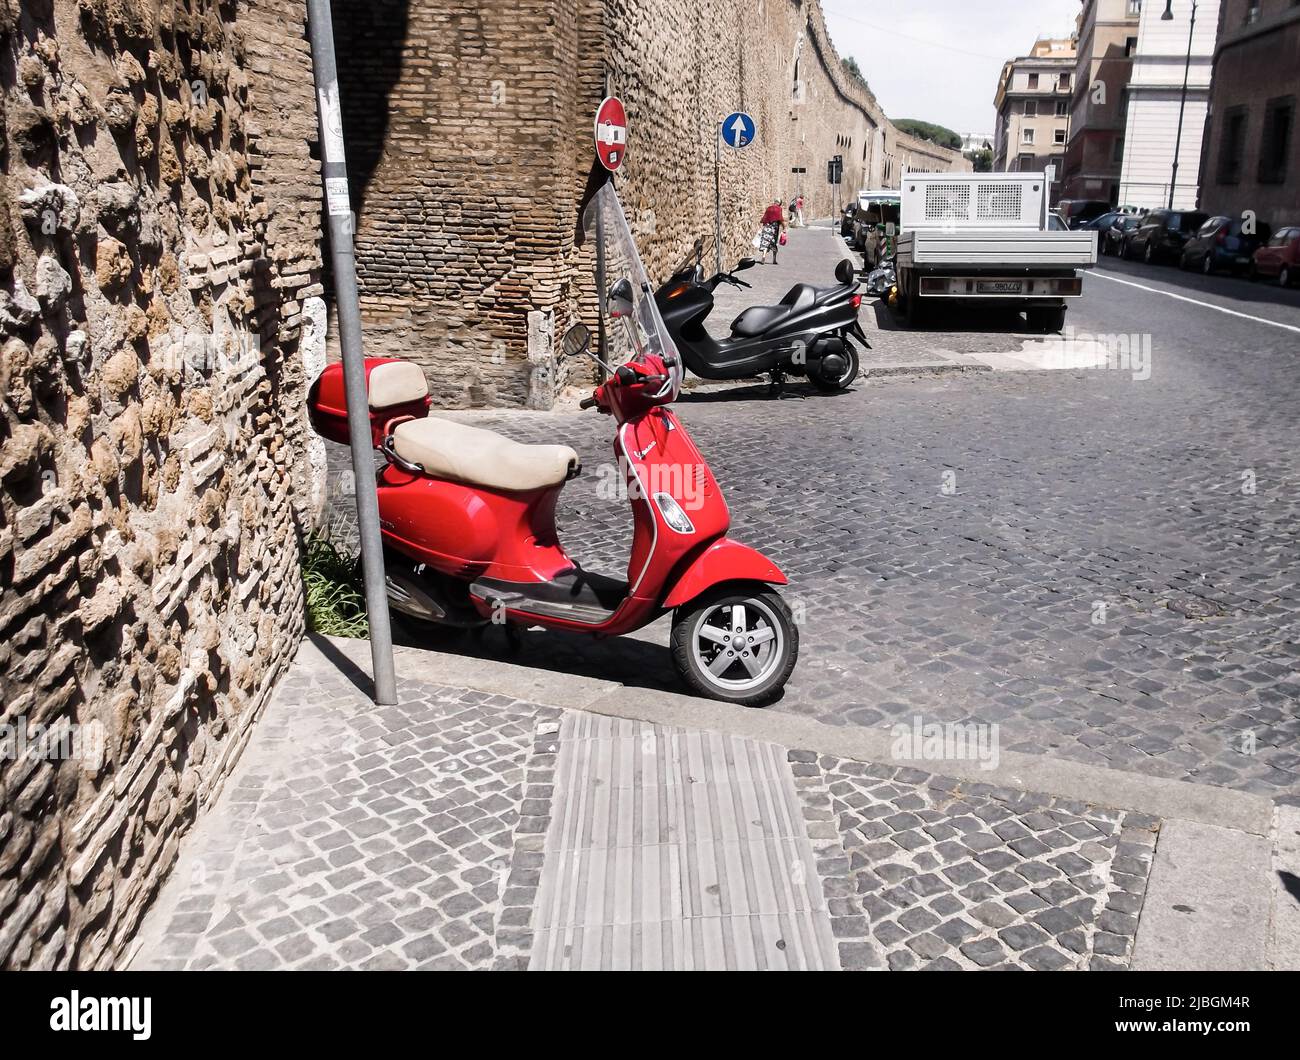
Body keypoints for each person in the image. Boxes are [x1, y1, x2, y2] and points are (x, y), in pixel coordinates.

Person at [759, 199, 785, 264]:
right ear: (779, 203)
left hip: (767, 227)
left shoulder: (769, 208)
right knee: (773, 244)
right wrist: (784, 227)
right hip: (774, 229)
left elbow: (765, 217)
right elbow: (780, 219)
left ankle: (764, 256)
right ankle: (774, 260)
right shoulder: (779, 209)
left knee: (765, 242)